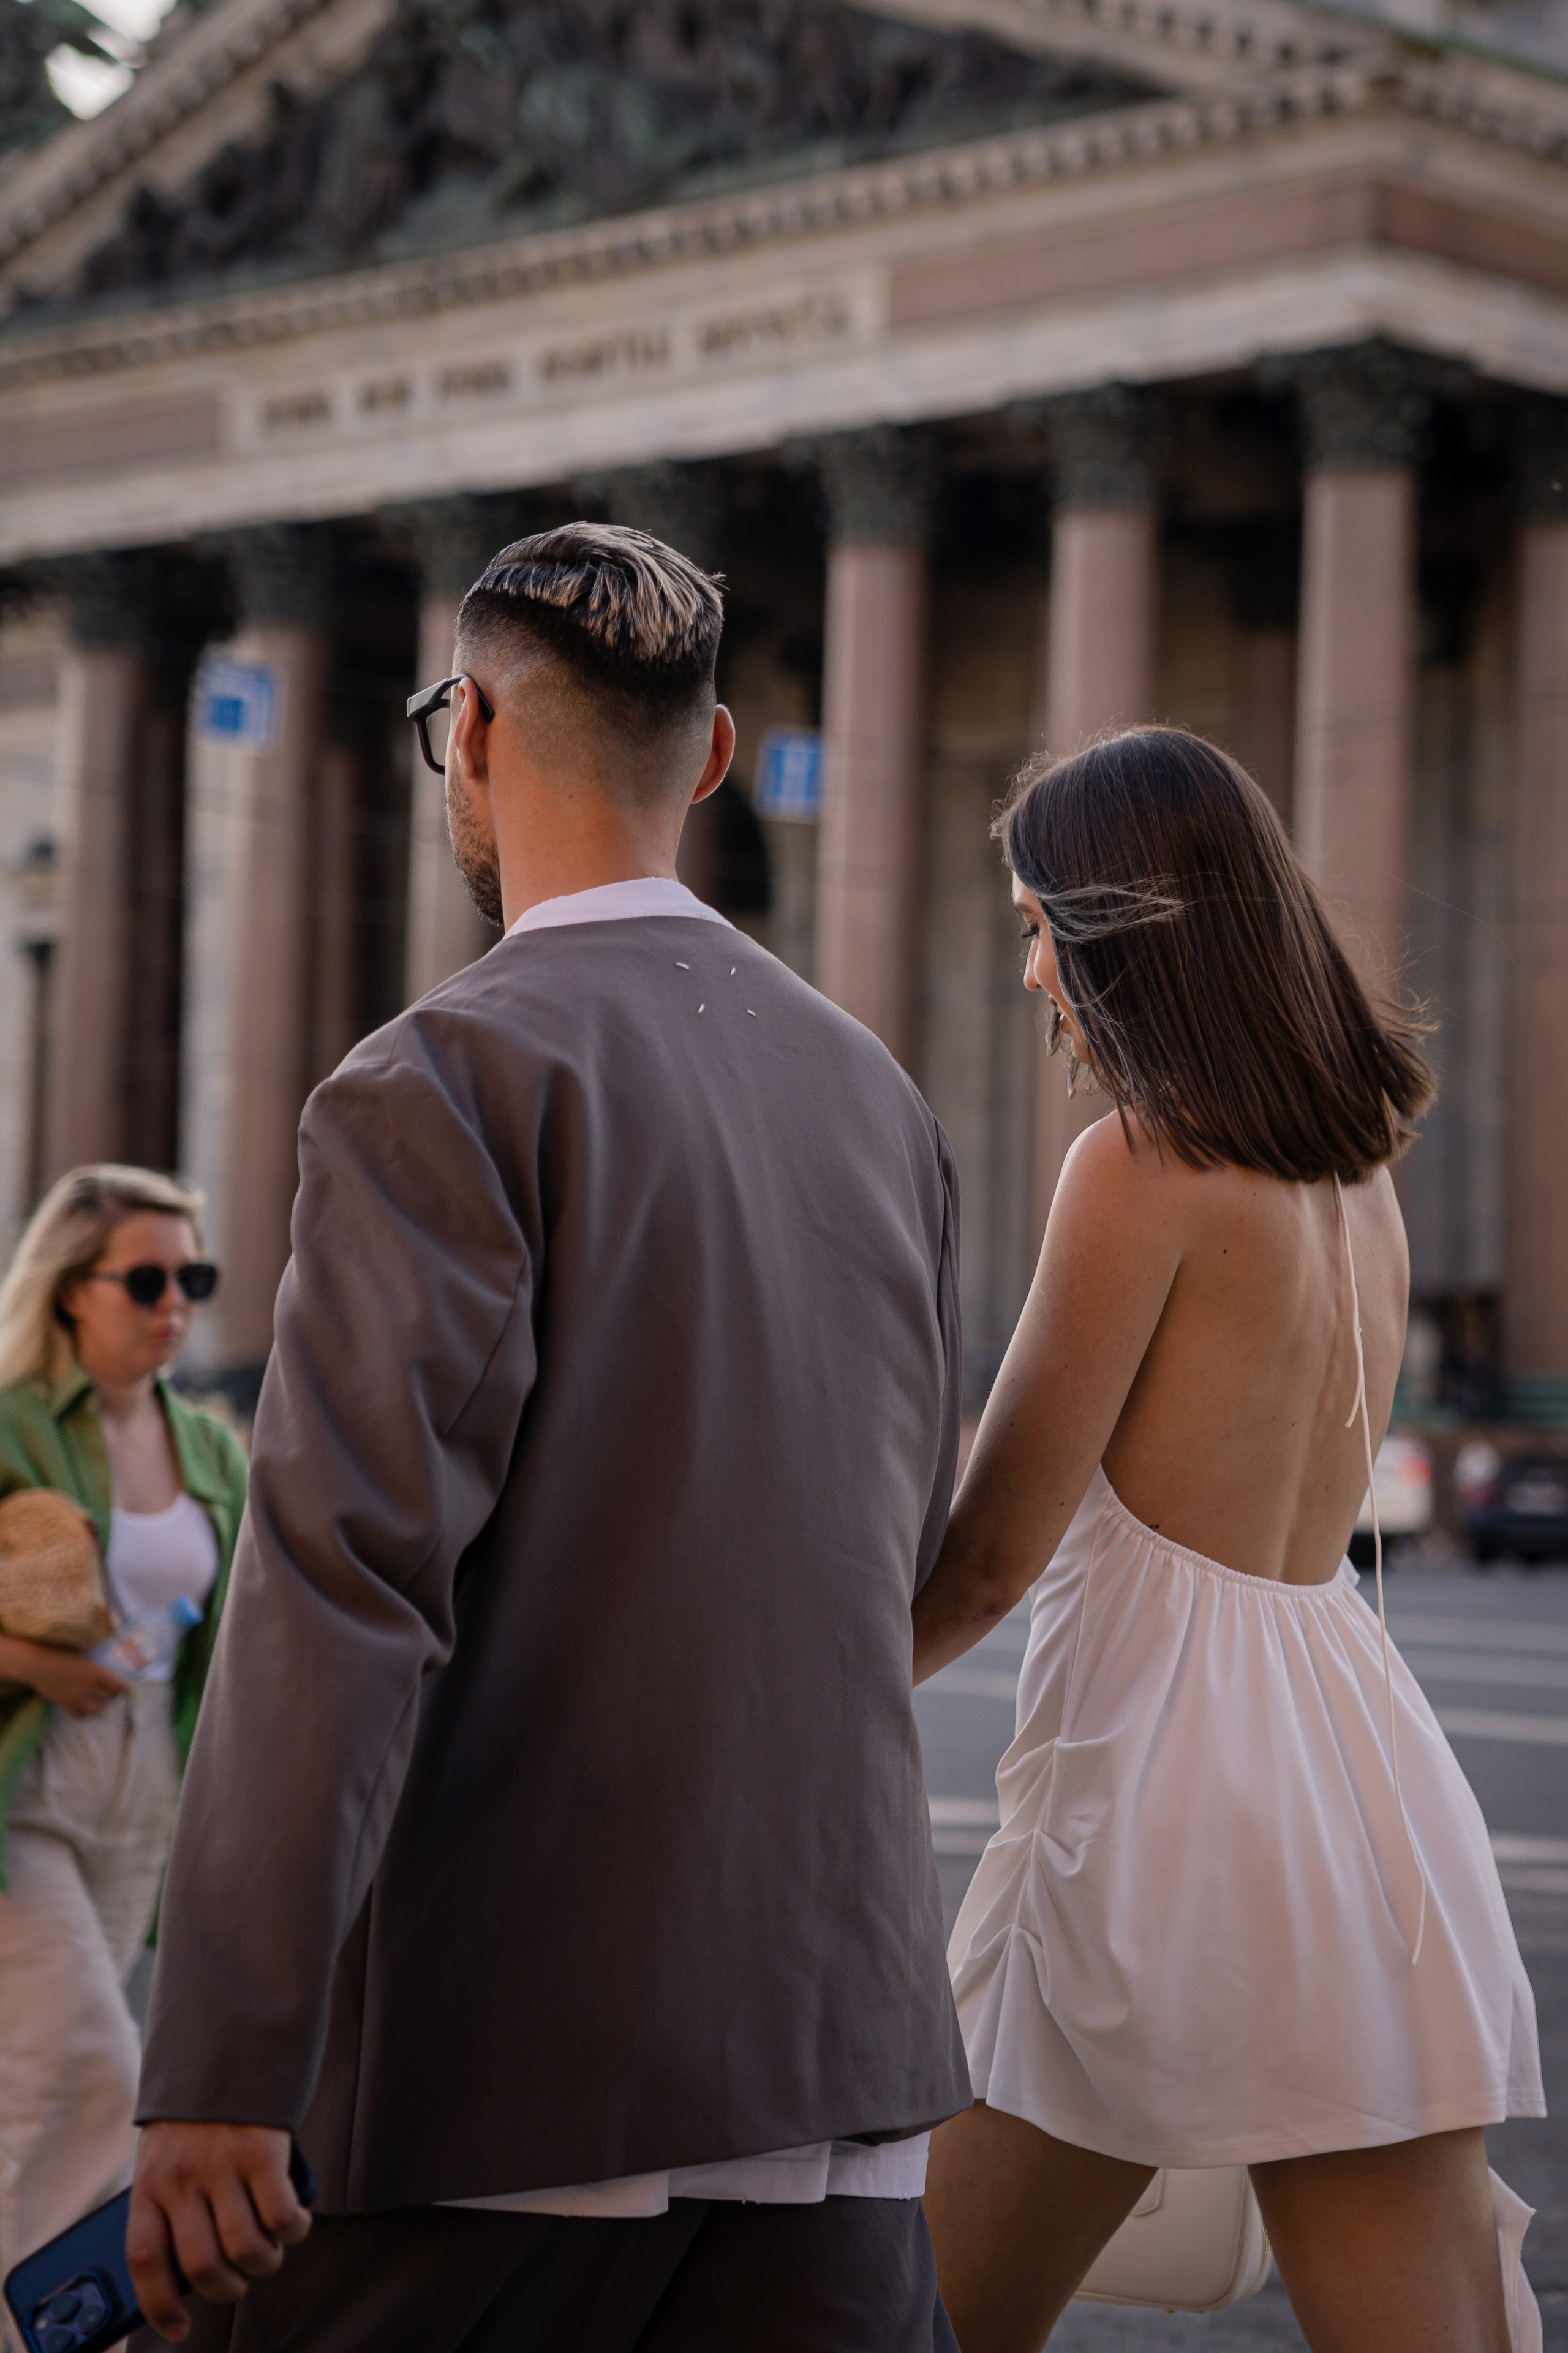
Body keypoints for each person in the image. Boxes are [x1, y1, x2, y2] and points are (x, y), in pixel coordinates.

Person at [127, 524, 968, 2352]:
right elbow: (899, 1538)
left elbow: (342, 1586)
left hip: (517, 2064)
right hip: (837, 2060)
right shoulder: (878, 1099)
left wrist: (223, 2055)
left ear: (477, 736)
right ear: (722, 754)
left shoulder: (437, 1076)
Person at [915, 730, 1545, 2353]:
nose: (1033, 962)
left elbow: (990, 1551)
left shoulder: (1139, 1167)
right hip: (1352, 1770)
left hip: (1159, 1802)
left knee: (918, 2315)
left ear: (1118, 927)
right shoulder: (1356, 1173)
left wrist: (797, 1696)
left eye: (1038, 918)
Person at [0, 1166, 245, 2334]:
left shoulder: (213, 1447)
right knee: (96, 2064)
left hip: (149, 1792)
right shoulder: (9, 1424)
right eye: (145, 1278)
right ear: (69, 1289)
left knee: (32, 2087)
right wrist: (41, 1663)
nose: (174, 1304)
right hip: (28, 1788)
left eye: (192, 1277)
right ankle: (36, 2319)